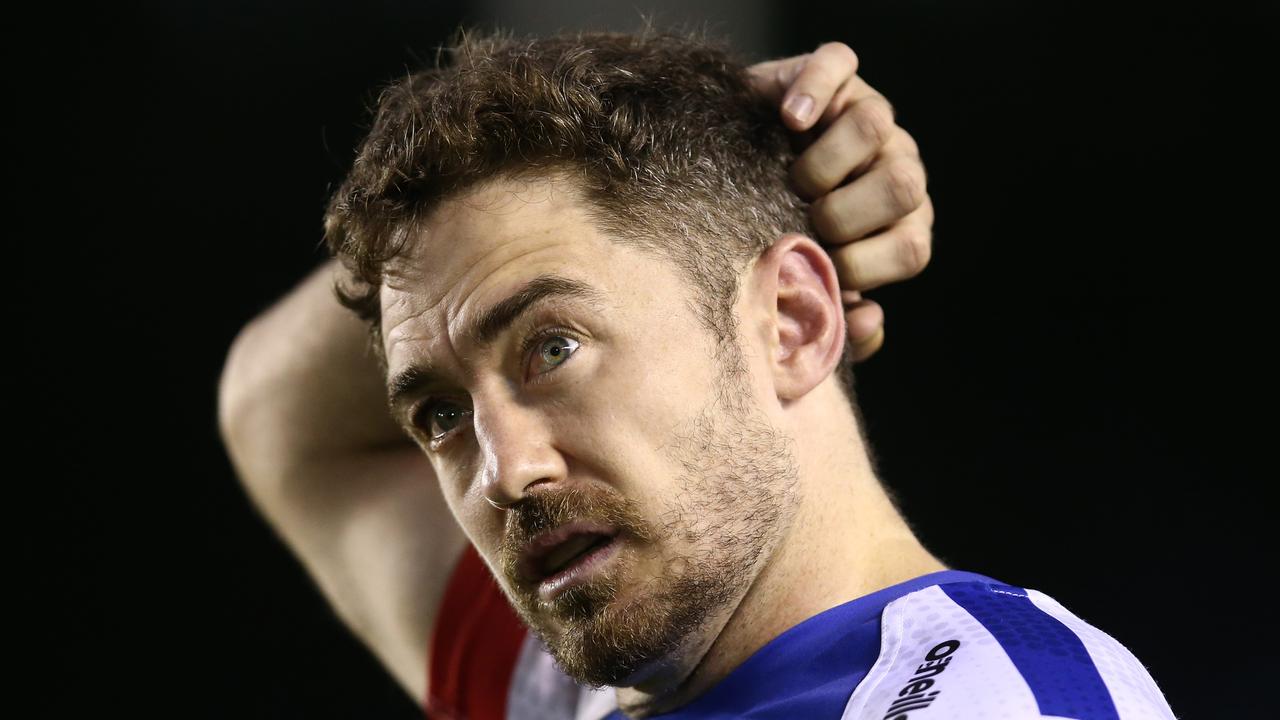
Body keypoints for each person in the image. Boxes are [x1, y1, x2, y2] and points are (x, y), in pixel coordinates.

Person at [218, 29, 1175, 720]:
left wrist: (697, 139)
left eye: (552, 348)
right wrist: (423, 253)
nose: (505, 472)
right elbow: (275, 412)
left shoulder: (993, 704)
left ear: (791, 322)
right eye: (437, 412)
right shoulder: (587, 690)